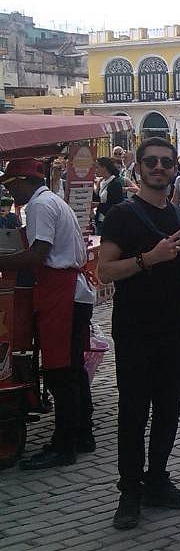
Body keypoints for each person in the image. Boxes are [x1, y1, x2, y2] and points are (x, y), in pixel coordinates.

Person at [97, 138, 180, 529]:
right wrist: (149, 259)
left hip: (174, 328)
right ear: (138, 168)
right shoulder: (123, 215)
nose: (159, 167)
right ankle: (129, 491)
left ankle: (157, 479)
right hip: (134, 330)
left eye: (166, 162)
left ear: (175, 168)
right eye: (151, 162)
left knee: (169, 410)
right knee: (133, 412)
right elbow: (104, 272)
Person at [0, 158, 95, 470]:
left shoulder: (40, 205)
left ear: (23, 182)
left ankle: (63, 445)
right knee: (73, 369)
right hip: (71, 290)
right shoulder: (53, 200)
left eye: (10, 186)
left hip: (62, 291)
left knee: (60, 371)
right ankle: (82, 434)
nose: (9, 193)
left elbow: (39, 253)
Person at [94, 157, 125, 235]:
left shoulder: (115, 183)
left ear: (104, 168)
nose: (95, 170)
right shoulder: (101, 182)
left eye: (97, 167)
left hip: (111, 222)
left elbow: (116, 205)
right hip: (100, 221)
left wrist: (98, 205)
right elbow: (98, 199)